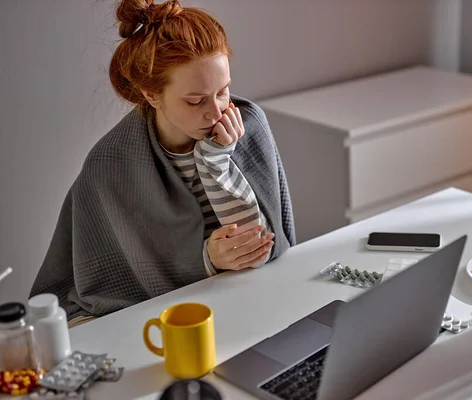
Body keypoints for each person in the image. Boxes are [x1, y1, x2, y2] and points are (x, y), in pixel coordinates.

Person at [29, 0, 295, 327]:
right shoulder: (110, 164)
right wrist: (205, 261)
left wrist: (216, 160)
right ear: (151, 95)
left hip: (254, 301)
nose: (216, 112)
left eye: (223, 91)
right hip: (166, 324)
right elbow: (112, 285)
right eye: (195, 100)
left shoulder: (248, 125)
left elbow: (266, 248)